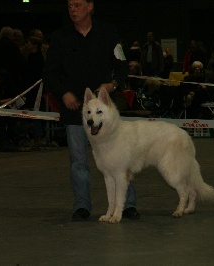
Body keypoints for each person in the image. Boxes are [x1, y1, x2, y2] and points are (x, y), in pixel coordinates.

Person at [43, 0, 139, 221]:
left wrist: (112, 84)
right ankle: (82, 205)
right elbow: (49, 73)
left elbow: (122, 66)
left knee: (119, 160)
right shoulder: (60, 37)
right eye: (69, 6)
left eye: (77, 5)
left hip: (105, 116)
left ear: (90, 6)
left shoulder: (109, 32)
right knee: (78, 161)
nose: (72, 10)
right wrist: (63, 93)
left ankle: (128, 205)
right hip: (75, 111)